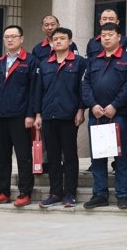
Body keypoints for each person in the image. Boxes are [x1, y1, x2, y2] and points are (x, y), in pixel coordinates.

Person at [28, 27, 87, 208]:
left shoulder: (79, 62)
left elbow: (82, 88)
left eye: (62, 38)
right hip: (48, 116)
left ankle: (70, 193)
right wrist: (38, 114)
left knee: (69, 156)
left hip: (69, 116)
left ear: (70, 41)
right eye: (56, 39)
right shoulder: (44, 64)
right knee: (52, 157)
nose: (59, 41)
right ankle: (55, 193)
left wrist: (81, 110)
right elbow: (38, 91)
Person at [81, 22, 127, 210]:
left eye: (110, 35)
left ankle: (122, 195)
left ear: (119, 37)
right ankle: (99, 194)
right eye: (103, 35)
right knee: (97, 157)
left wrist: (115, 105)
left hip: (117, 115)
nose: (106, 38)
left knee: (119, 157)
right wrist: (93, 105)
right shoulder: (93, 60)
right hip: (96, 115)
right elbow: (85, 84)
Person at [0, 25, 38, 208]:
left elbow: (34, 91)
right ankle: (2, 192)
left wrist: (31, 114)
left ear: (21, 39)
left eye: (14, 36)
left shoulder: (30, 61)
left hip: (20, 117)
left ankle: (25, 192)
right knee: (2, 157)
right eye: (7, 37)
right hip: (0, 116)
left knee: (23, 156)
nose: (10, 40)